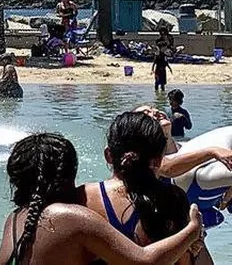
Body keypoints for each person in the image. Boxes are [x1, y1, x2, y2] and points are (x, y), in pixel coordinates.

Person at [0, 132, 202, 265]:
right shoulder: (72, 217)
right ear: (70, 173)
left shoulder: (14, 220)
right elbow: (145, 262)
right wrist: (192, 231)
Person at [78, 111, 211, 264]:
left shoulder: (83, 196)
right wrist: (195, 238)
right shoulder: (172, 199)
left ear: (108, 154)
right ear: (159, 161)